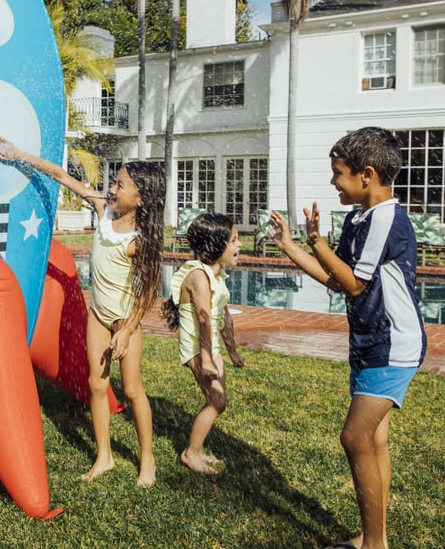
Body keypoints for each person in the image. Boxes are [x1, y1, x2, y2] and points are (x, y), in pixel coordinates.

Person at [267, 126, 427, 549]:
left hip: (392, 344)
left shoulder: (386, 218)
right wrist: (292, 247)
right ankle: (375, 538)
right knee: (373, 439)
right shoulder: (360, 218)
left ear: (367, 175)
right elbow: (337, 281)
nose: (334, 182)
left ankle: (374, 544)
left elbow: (355, 284)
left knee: (355, 437)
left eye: (338, 173)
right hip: (371, 342)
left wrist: (318, 243)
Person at [0, 135, 164, 487]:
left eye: (121, 186)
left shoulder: (139, 240)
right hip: (98, 316)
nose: (112, 189)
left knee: (131, 389)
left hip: (125, 320)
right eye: (114, 182)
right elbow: (62, 177)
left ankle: (148, 458)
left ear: (141, 199)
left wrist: (127, 331)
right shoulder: (102, 210)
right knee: (96, 385)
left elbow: (148, 294)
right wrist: (21, 155)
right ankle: (105, 456)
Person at [162, 213, 245, 474]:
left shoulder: (216, 276)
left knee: (219, 401)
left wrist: (231, 351)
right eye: (233, 240)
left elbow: (224, 315)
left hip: (210, 348)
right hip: (199, 348)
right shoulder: (198, 276)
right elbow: (204, 318)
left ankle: (196, 450)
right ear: (215, 245)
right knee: (216, 402)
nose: (239, 245)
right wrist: (207, 359)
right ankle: (191, 453)